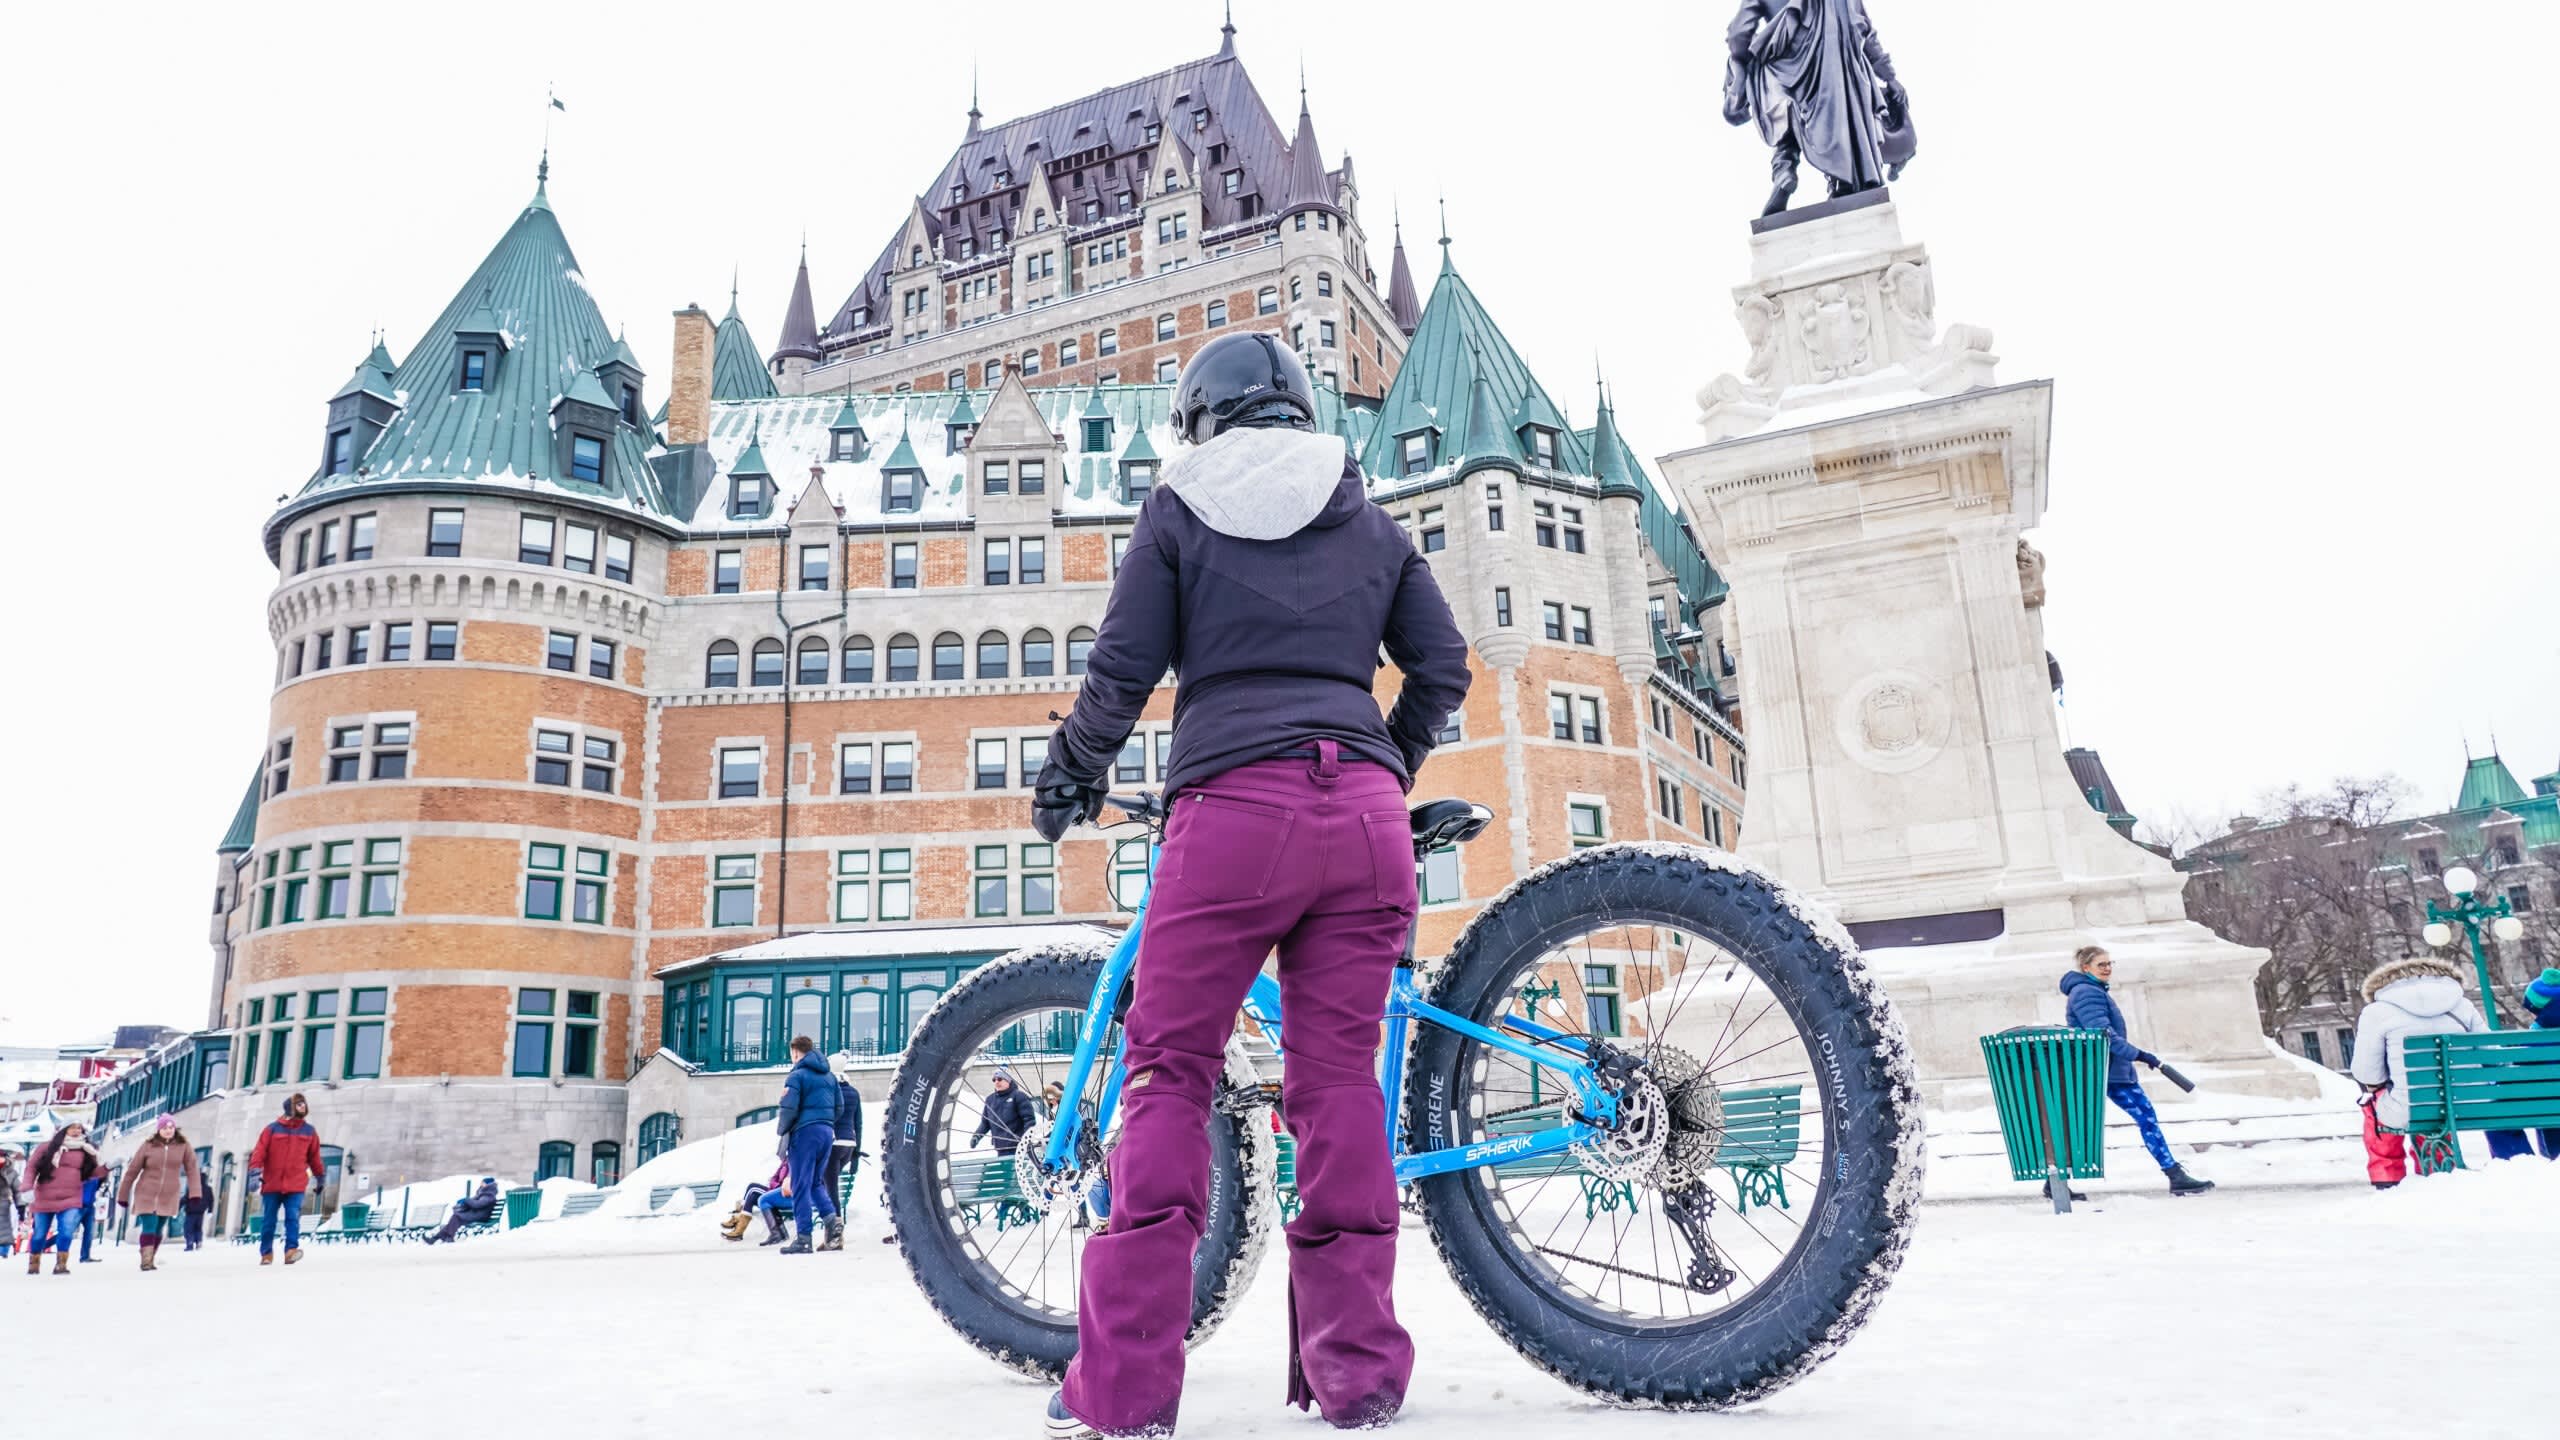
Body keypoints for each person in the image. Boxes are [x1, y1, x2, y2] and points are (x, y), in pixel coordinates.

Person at [1029, 329, 1470, 1438]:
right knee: (1335, 1089)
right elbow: (1443, 665)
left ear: (1198, 420)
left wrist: (1066, 780)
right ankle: (1357, 1375)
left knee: (1169, 1072)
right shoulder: (1367, 514)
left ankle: (1123, 1392)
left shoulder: (1179, 508)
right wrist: (1386, 763)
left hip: (1230, 819)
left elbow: (1122, 673)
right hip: (1363, 828)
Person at [2349, 955, 2525, 1185]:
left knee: (2380, 1102)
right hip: (2468, 1103)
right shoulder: (2461, 1005)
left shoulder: (2376, 1012)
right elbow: (2492, 1055)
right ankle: (2436, 1169)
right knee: (2435, 1097)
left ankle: (2387, 1176)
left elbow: (2367, 1075)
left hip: (2412, 1108)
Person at [2060, 947, 2214, 1196]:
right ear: (2086, 968)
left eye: (2110, 963)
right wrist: (2142, 1056)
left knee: (2077, 1126)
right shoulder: (2088, 993)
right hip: (2108, 1072)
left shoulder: (2091, 991)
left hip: (2106, 1070)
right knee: (2145, 1118)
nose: (2108, 968)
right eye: (2101, 964)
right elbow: (2104, 1035)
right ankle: (2175, 1175)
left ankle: (2053, 1183)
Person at [774, 1035, 841, 1255]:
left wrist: (783, 1129)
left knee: (801, 1184)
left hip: (804, 1134)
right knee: (814, 1182)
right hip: (826, 1133)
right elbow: (839, 1107)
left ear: (795, 1052)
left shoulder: (796, 1076)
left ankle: (803, 1238)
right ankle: (831, 1220)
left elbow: (788, 1108)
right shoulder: (830, 1076)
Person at [114, 1115, 204, 1271]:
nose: (168, 1131)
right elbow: (132, 1170)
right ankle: (146, 1261)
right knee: (150, 1225)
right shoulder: (148, 1146)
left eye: (171, 1128)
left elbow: (192, 1169)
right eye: (165, 1128)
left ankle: (150, 1256)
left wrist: (195, 1193)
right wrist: (123, 1195)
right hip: (146, 1192)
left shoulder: (183, 1146)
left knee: (159, 1227)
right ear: (159, 1130)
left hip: (168, 1194)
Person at [247, 1092, 327, 1265]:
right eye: (298, 1104)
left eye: (303, 1104)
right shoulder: (272, 1129)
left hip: (296, 1184)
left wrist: (320, 1177)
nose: (302, 1107)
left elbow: (314, 1157)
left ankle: (291, 1250)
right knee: (269, 1220)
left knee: (292, 1217)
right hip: (272, 1183)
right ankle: (266, 1253)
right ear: (289, 1108)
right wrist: (254, 1172)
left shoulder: (309, 1132)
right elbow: (259, 1152)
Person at [23, 1123, 103, 1276]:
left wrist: (106, 1168)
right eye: (72, 1127)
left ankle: (61, 1264)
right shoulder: (46, 1147)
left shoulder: (86, 1150)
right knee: (40, 1233)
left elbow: (90, 1173)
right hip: (44, 1197)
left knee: (67, 1231)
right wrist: (27, 1187)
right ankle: (34, 1262)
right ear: (63, 1130)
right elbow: (31, 1167)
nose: (76, 1131)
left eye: (79, 1128)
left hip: (71, 1197)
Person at [821, 1056, 864, 1238]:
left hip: (833, 1144)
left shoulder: (829, 1090)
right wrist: (856, 1154)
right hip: (849, 1145)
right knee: (828, 1186)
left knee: (831, 1190)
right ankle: (831, 1231)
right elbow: (858, 1123)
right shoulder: (853, 1092)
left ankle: (835, 1233)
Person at [972, 1070, 1039, 1159]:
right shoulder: (990, 1099)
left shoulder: (1019, 1096)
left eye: (1000, 1079)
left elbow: (1029, 1120)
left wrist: (1026, 1139)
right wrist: (976, 1136)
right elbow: (985, 1123)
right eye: (994, 1080)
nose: (996, 1082)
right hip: (1001, 1147)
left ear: (1008, 1080)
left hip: (1019, 1147)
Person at [722, 1161, 792, 1245]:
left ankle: (739, 1223)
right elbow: (775, 1178)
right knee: (752, 1193)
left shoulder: (793, 1161)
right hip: (777, 1191)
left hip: (782, 1194)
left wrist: (775, 1184)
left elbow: (785, 1183)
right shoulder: (785, 1162)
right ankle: (739, 1224)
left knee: (753, 1189)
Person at [423, 1179, 499, 1244]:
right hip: (476, 1214)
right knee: (456, 1217)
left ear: (488, 1184)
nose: (481, 1184)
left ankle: (444, 1237)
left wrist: (466, 1200)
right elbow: (474, 1203)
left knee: (457, 1216)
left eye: (483, 1183)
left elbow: (477, 1205)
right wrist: (465, 1203)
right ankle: (437, 1238)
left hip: (480, 1216)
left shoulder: (488, 1196)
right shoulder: (483, 1194)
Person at [182, 1157, 210, 1252]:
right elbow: (211, 1200)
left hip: (191, 1211)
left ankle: (190, 1243)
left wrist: (178, 1207)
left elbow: (185, 1198)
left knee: (189, 1228)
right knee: (198, 1228)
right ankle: (198, 1242)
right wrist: (210, 1210)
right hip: (201, 1212)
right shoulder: (207, 1189)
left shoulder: (193, 1187)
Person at [0, 1148, 22, 1260]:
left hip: (3, 1202)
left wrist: (21, 1205)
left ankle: (3, 1250)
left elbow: (18, 1189)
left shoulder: (10, 1172)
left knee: (4, 1227)